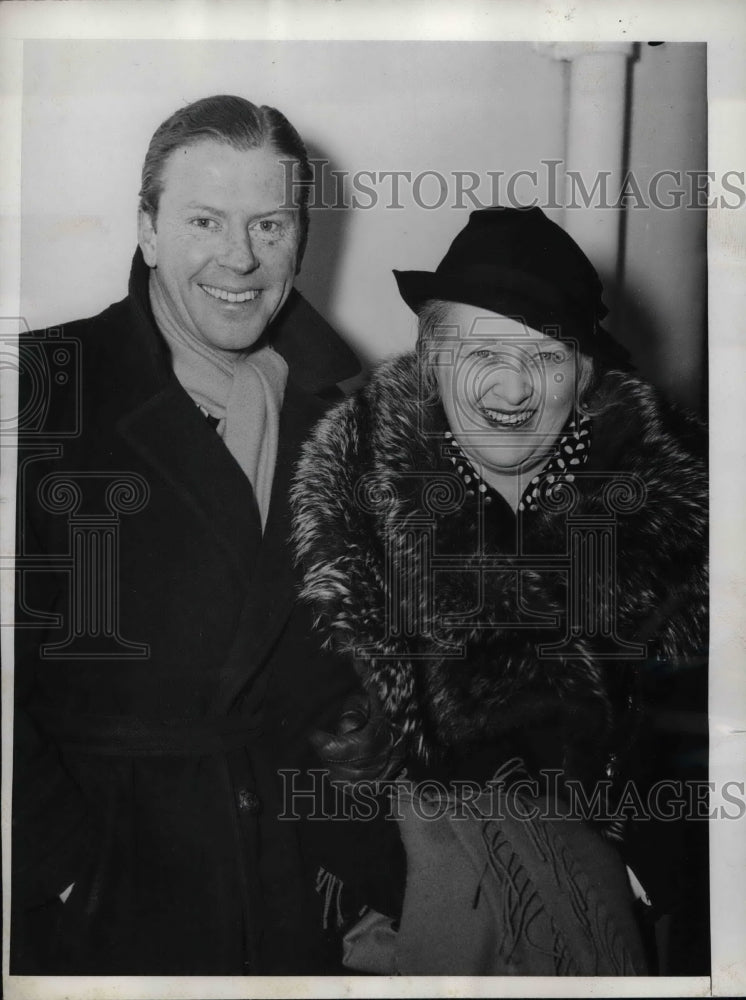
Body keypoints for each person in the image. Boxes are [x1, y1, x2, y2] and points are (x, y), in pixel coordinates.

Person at [292, 206, 708, 975]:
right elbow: (295, 747)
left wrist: (628, 876)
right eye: (480, 350)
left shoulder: (670, 529)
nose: (511, 385)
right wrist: (417, 886)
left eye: (546, 355)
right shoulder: (349, 514)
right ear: (431, 362)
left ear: (584, 377)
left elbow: (695, 756)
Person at [12, 94, 364, 974]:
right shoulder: (47, 387)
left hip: (296, 886)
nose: (240, 258)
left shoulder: (354, 412)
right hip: (109, 892)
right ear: (148, 229)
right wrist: (63, 870)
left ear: (302, 236)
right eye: (205, 219)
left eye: (270, 224)